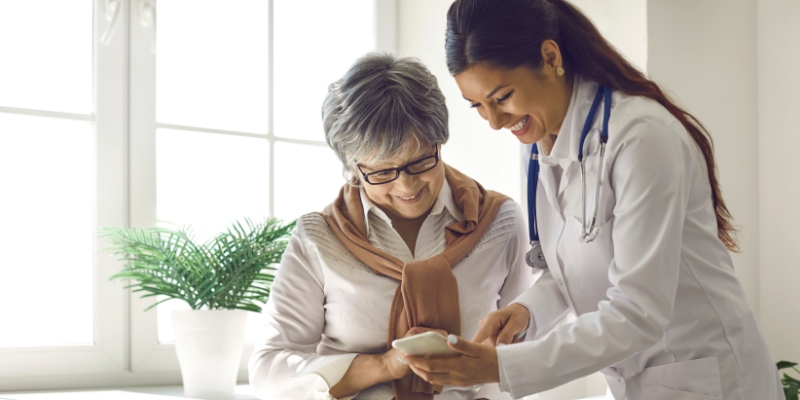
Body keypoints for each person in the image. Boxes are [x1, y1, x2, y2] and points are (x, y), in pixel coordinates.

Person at [403, 1, 785, 399]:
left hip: (712, 378)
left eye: (502, 97)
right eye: (478, 106)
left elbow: (638, 313)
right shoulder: (536, 144)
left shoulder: (641, 138)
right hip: (639, 383)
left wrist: (502, 368)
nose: (495, 122)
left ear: (550, 57)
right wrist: (527, 312)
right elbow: (573, 267)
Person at [248, 53, 536, 400]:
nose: (406, 187)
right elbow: (268, 370)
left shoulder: (500, 221)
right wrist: (383, 367)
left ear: (439, 142)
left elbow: (526, 349)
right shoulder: (318, 238)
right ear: (354, 167)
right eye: (383, 172)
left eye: (420, 162)